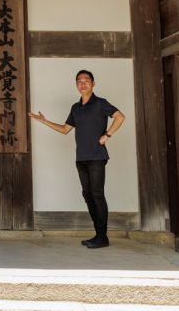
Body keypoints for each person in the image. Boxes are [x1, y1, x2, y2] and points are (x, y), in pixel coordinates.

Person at [29, 69, 125, 249]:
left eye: (86, 80)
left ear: (93, 84)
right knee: (87, 195)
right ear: (76, 85)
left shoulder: (100, 103)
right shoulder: (75, 108)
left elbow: (120, 117)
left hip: (97, 157)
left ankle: (102, 236)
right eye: (79, 81)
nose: (83, 83)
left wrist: (107, 135)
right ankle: (98, 234)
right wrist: (44, 121)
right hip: (81, 158)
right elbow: (65, 129)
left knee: (97, 194)